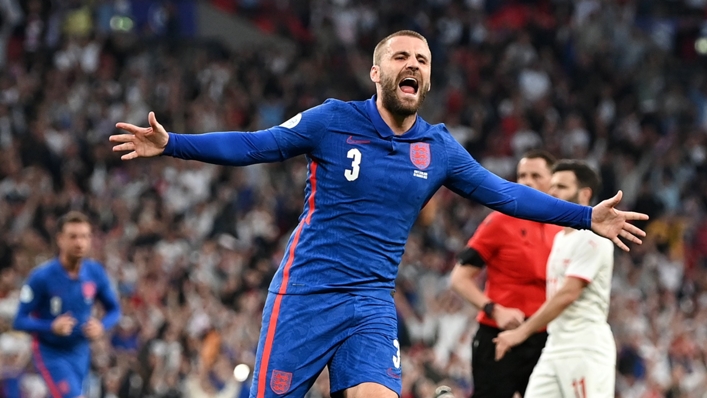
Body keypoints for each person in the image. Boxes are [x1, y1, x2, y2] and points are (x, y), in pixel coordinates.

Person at [109, 30, 647, 398]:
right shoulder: (331, 120)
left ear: (428, 81)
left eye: (422, 61)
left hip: (370, 303)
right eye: (401, 57)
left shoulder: (438, 149)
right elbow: (254, 145)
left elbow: (506, 194)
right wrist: (173, 142)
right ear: (376, 71)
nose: (412, 64)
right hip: (304, 294)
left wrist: (584, 216)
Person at [494, 160, 616, 397]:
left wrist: (521, 333)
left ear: (584, 194)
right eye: (552, 186)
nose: (552, 192)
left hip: (584, 348)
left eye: (560, 187)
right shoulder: (561, 238)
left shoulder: (593, 238)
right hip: (555, 346)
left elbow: (568, 294)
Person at [448, 150, 562, 398]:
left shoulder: (564, 228)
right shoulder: (499, 222)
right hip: (497, 337)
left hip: (544, 339)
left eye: (535, 175)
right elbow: (459, 278)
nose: (527, 181)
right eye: (522, 175)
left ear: (553, 181)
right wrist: (494, 309)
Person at [13, 211, 121, 398]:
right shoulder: (42, 277)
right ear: (60, 240)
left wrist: (101, 326)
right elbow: (19, 320)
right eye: (73, 237)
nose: (79, 243)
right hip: (50, 352)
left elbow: (115, 309)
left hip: (81, 351)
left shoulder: (95, 272)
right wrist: (50, 326)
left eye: (84, 237)